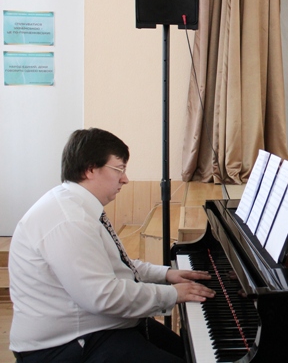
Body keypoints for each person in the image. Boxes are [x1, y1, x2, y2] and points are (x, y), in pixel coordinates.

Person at [9, 128, 215, 362]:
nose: (125, 179)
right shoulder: (70, 220)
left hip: (96, 325)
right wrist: (172, 294)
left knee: (187, 352)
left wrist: (166, 274)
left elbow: (116, 265)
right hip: (64, 345)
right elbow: (103, 296)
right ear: (90, 170)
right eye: (119, 169)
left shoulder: (77, 206)